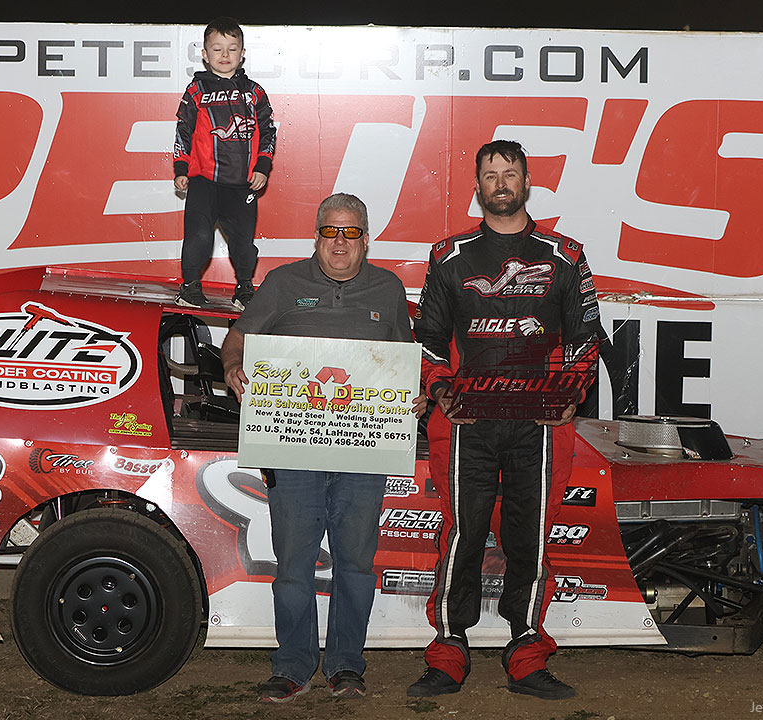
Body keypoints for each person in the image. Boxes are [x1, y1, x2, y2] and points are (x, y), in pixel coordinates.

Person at [407, 140, 602, 701]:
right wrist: (442, 391)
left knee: (530, 538)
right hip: (468, 423)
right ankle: (448, 652)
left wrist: (572, 392)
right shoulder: (449, 256)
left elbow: (587, 337)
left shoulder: (564, 255)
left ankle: (526, 654)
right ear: (477, 186)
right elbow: (430, 340)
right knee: (463, 533)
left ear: (526, 182)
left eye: (509, 173)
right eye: (490, 174)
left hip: (538, 424)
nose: (500, 182)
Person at [222, 193, 426, 703]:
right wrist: (230, 367)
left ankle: (345, 665)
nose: (340, 242)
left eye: (351, 232)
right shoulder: (283, 283)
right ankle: (291, 665)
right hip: (293, 451)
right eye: (330, 231)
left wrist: (416, 393)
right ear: (316, 235)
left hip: (365, 450)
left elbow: (404, 359)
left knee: (356, 564)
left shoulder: (388, 288)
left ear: (365, 238)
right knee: (292, 563)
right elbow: (238, 339)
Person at [174, 16, 276, 311]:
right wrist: (182, 169)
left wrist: (262, 167)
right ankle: (190, 288)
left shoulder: (255, 92)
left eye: (232, 49)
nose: (225, 56)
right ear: (205, 55)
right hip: (204, 181)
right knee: (199, 237)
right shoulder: (196, 90)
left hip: (242, 184)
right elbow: (183, 131)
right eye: (217, 49)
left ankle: (244, 288)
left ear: (242, 53)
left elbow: (268, 130)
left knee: (244, 243)